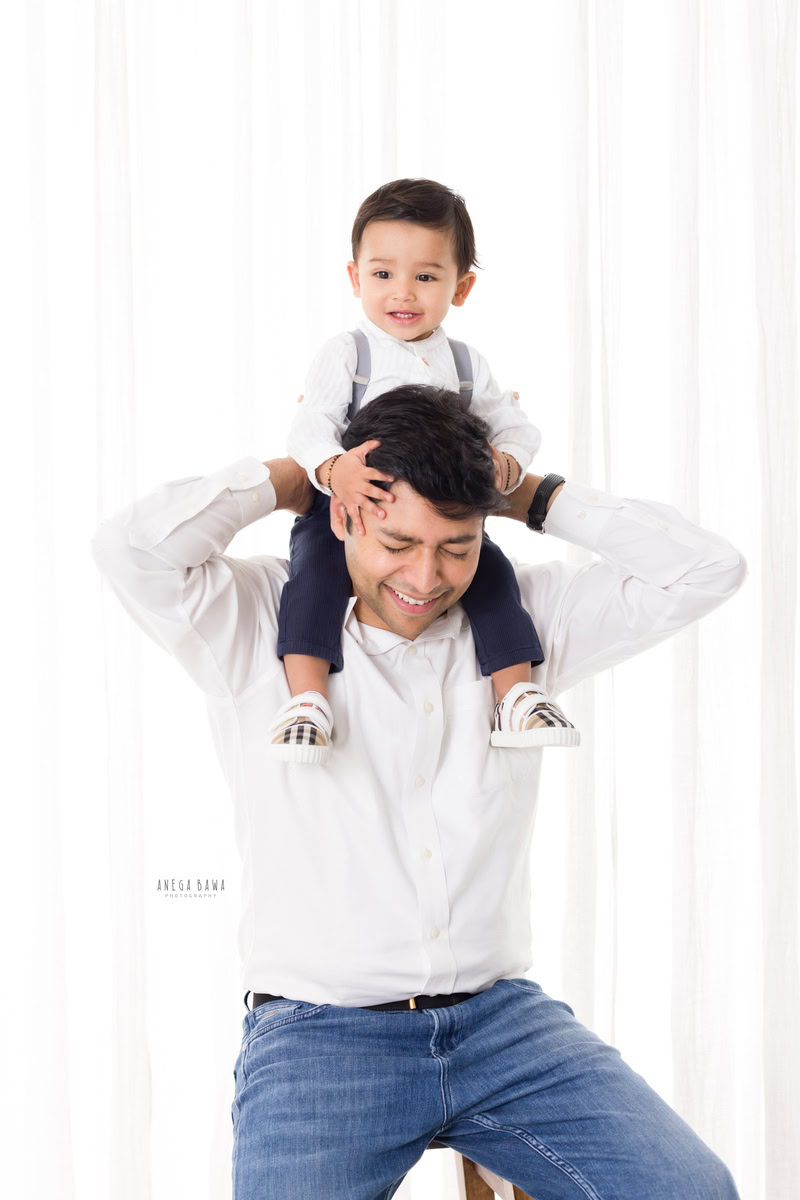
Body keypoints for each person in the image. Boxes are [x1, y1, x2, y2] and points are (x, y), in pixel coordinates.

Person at [90, 386, 745, 1198]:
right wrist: (299, 474)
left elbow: (709, 568)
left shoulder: (525, 625)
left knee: (691, 1190)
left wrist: (532, 495)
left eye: (457, 546)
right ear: (345, 517)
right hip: (320, 1036)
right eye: (397, 540)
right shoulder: (251, 621)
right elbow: (129, 549)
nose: (425, 576)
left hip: (504, 1027)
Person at [274, 176, 579, 763]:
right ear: (355, 276)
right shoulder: (349, 354)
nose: (403, 293)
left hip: (445, 513)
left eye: (427, 276)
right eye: (384, 274)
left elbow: (515, 428)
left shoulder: (465, 364)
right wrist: (334, 471)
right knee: (312, 579)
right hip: (352, 503)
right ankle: (307, 699)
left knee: (492, 580)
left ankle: (516, 693)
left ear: (460, 288)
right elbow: (309, 427)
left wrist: (506, 462)